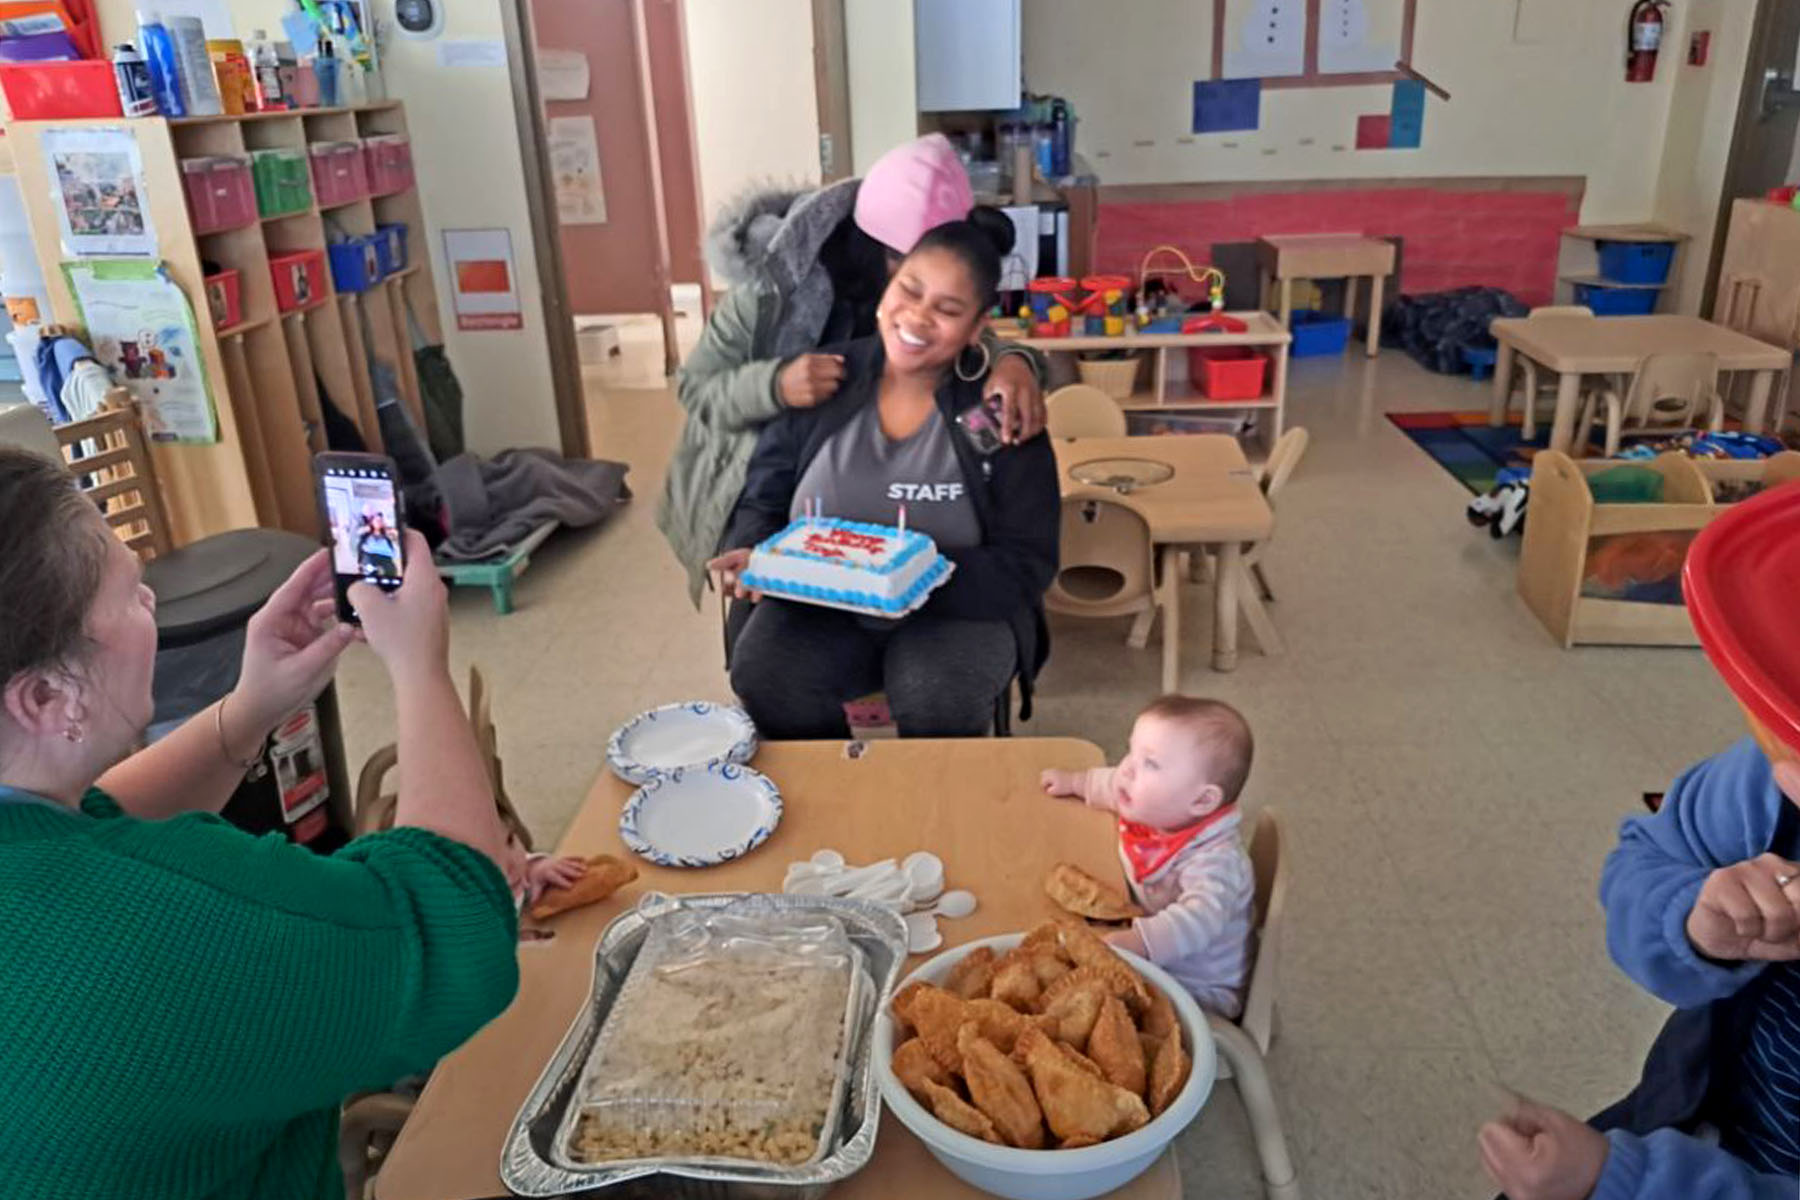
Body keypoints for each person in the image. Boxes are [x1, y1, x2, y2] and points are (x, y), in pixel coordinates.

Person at [0, 448, 520, 1200]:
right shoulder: (157, 935)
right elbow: (459, 926)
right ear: (46, 699)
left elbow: (74, 828)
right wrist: (420, 666)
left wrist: (250, 709)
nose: (150, 602)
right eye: (130, 593)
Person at [659, 133, 1048, 606]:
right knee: (764, 643)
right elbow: (697, 390)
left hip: (879, 519)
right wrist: (775, 384)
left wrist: (1017, 361)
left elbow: (966, 337)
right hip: (757, 491)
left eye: (941, 294)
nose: (916, 307)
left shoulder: (935, 314)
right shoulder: (766, 294)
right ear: (870, 244)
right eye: (905, 273)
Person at [709, 214, 1058, 739]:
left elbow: (1027, 561)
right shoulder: (823, 379)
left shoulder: (995, 407)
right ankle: (833, 798)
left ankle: (935, 811)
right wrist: (754, 554)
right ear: (886, 286)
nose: (917, 318)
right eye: (910, 291)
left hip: (959, 609)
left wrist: (899, 582)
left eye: (947, 309)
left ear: (977, 325)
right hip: (818, 604)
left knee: (936, 691)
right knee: (767, 674)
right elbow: (764, 496)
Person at [1479, 740, 1800, 1200]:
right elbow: (1646, 860)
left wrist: (1633, 1184)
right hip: (1686, 1114)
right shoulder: (1773, 764)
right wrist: (1693, 922)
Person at [1040, 695, 1257, 1018]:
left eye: (1150, 763)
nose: (1127, 767)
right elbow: (1116, 784)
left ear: (1202, 801)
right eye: (1132, 751)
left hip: (1199, 985)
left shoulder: (1216, 860)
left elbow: (1199, 920)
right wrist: (1077, 782)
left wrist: (1141, 942)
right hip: (1156, 938)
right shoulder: (1163, 804)